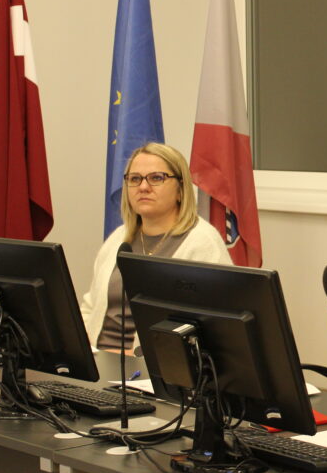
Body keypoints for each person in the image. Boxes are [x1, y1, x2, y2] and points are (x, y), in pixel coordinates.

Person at [79, 143, 232, 352]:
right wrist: (86, 350)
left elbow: (210, 329)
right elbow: (90, 307)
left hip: (153, 366)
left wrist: (133, 358)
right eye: (135, 179)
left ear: (180, 189)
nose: (143, 187)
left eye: (156, 178)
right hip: (98, 358)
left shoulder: (202, 243)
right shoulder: (119, 238)